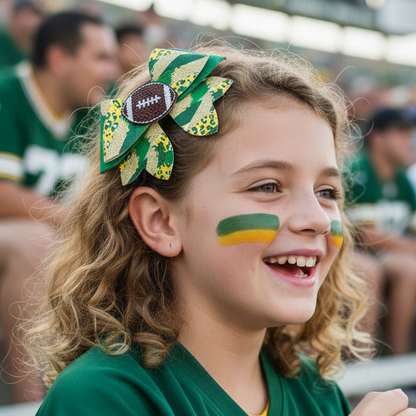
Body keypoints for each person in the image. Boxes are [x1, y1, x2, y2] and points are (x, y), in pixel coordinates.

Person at [25, 45, 415, 416]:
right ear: (160, 221)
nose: (316, 218)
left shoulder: (316, 392)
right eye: (268, 187)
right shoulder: (101, 397)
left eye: (327, 192)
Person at [0, 11, 119, 403]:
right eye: (100, 57)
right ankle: (31, 402)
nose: (112, 69)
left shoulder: (93, 113)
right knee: (37, 239)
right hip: (21, 238)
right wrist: (69, 219)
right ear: (58, 60)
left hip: (46, 238)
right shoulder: (7, 94)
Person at [346, 107, 416, 355]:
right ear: (377, 138)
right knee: (370, 271)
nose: (409, 140)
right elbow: (367, 237)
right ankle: (362, 363)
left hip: (383, 253)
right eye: (401, 132)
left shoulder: (401, 179)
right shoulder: (357, 169)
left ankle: (399, 360)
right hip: (348, 252)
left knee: (410, 269)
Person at [0, 0, 44, 70]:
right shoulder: (3, 41)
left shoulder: (40, 41)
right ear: (13, 18)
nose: (31, 22)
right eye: (25, 15)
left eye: (33, 15)